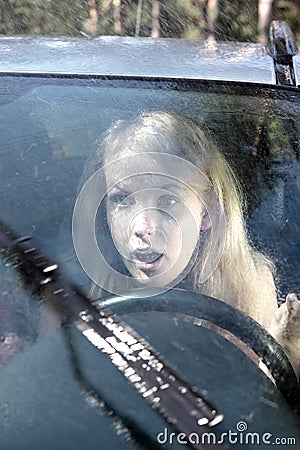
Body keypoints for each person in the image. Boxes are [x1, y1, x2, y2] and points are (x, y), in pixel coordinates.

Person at [75, 111, 278, 331]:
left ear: (207, 211)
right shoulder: (74, 293)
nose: (141, 227)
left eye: (168, 201)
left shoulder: (250, 288)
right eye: (122, 199)